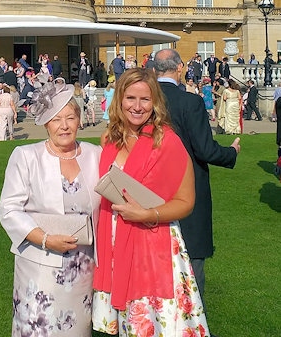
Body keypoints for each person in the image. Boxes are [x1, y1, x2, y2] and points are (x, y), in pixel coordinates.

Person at [92, 68, 209, 336]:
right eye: (130, 98)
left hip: (153, 240)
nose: (137, 106)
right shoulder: (108, 139)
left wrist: (146, 214)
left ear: (154, 102)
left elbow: (186, 201)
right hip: (114, 239)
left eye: (144, 99)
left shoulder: (168, 141)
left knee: (154, 324)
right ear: (119, 99)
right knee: (126, 326)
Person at [0, 78, 101, 336]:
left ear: (80, 119)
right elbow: (9, 210)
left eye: (70, 118)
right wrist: (45, 239)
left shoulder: (95, 154)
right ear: (46, 123)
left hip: (83, 269)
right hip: (39, 267)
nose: (64, 126)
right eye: (56, 119)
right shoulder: (26, 156)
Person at [154, 49, 240, 318]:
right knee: (191, 264)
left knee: (156, 262)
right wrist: (231, 153)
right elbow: (205, 150)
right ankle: (193, 324)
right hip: (186, 187)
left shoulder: (142, 99)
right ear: (179, 67)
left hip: (150, 188)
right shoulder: (189, 102)